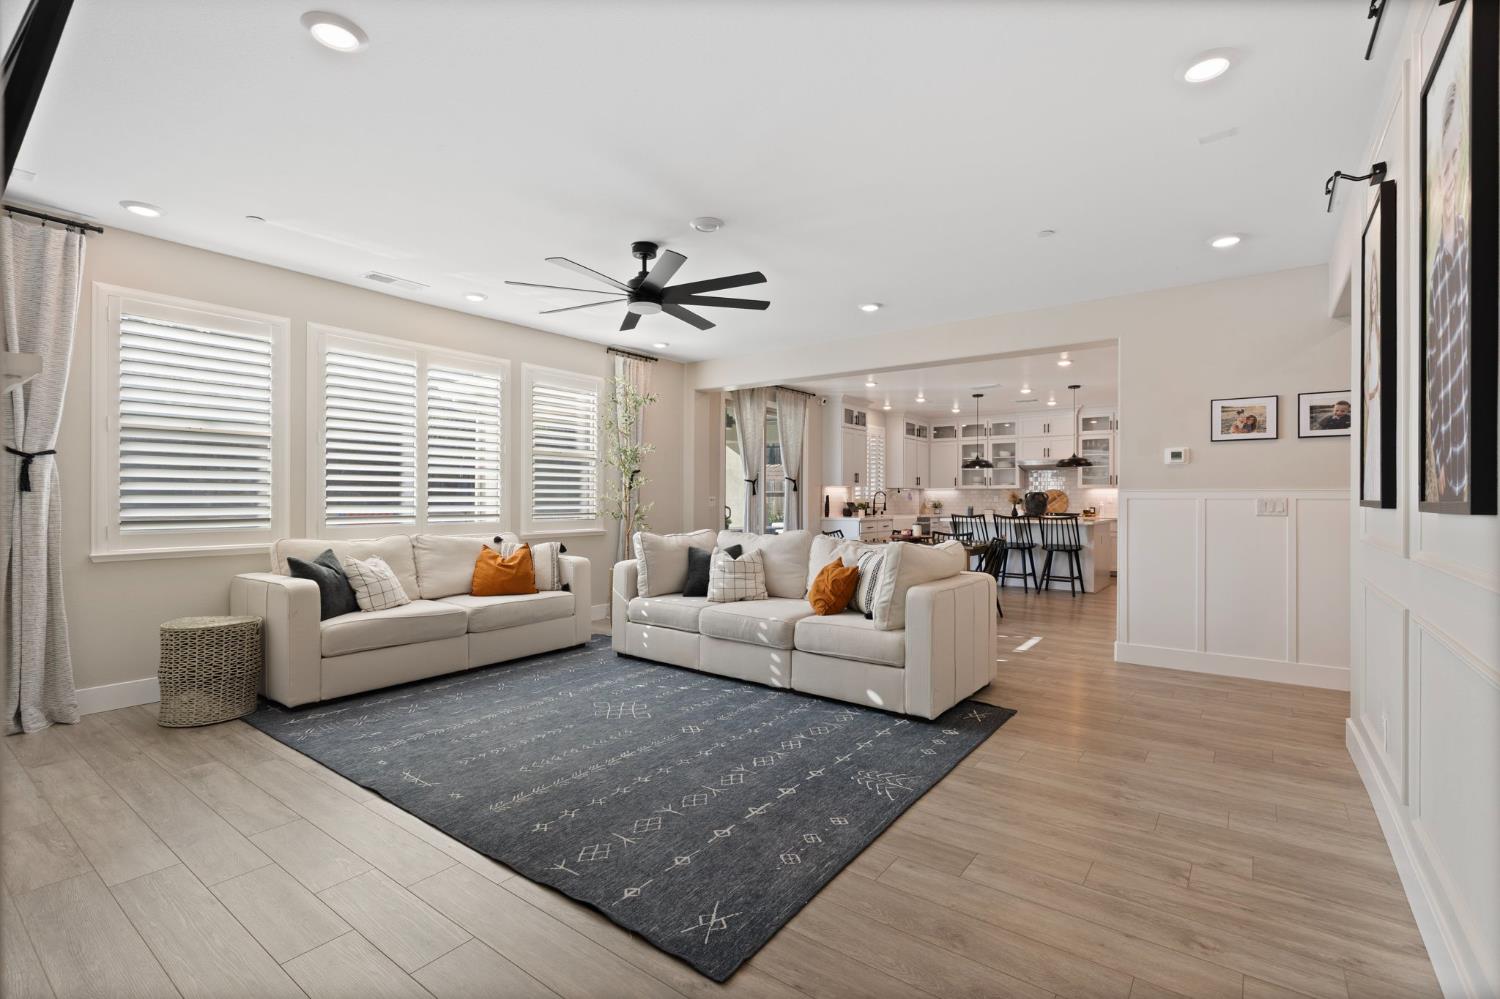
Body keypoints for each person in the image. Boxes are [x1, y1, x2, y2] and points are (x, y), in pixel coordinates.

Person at [1426, 78, 1470, 502]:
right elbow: (1435, 371)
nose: (1451, 171)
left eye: (1459, 155)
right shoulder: (1438, 269)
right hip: (1449, 475)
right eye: (1446, 158)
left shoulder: (1475, 256)